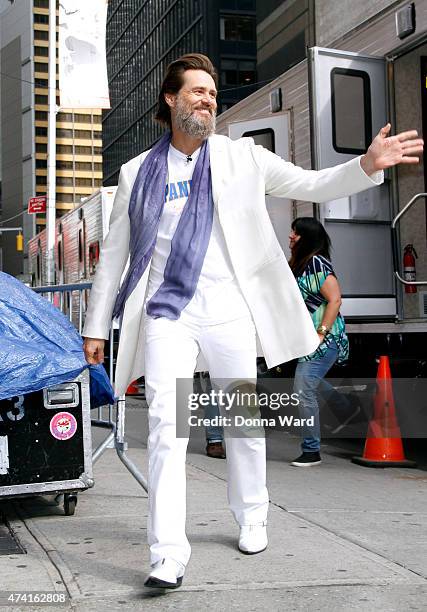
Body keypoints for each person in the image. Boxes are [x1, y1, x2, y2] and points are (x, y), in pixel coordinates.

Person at [81, 53, 423, 589]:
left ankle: (252, 511)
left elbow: (312, 183)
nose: (207, 99)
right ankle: (167, 552)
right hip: (170, 314)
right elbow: (116, 255)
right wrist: (96, 325)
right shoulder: (135, 175)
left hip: (230, 315)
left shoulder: (243, 158)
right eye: (197, 91)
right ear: (170, 100)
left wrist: (367, 164)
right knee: (169, 429)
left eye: (212, 93)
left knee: (241, 420)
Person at [288, 218, 359, 467]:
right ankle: (348, 407)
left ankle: (311, 450)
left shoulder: (317, 262)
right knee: (308, 385)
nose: (290, 236)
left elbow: (335, 299)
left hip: (324, 339)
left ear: (307, 238)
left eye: (296, 233)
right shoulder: (299, 264)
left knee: (302, 390)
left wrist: (321, 333)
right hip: (306, 339)